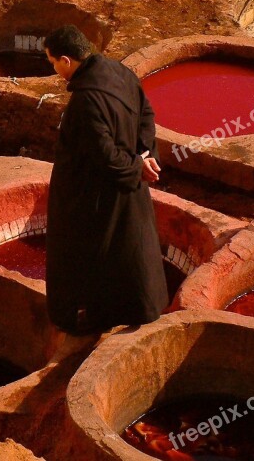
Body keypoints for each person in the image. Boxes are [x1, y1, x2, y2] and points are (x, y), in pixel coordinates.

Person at [44, 25, 168, 335]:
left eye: (53, 63)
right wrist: (144, 154)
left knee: (94, 255)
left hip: (98, 194)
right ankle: (142, 307)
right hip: (129, 185)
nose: (55, 70)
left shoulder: (86, 101)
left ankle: (91, 319)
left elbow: (104, 154)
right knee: (132, 252)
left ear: (66, 60)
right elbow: (146, 115)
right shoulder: (120, 72)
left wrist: (136, 165)